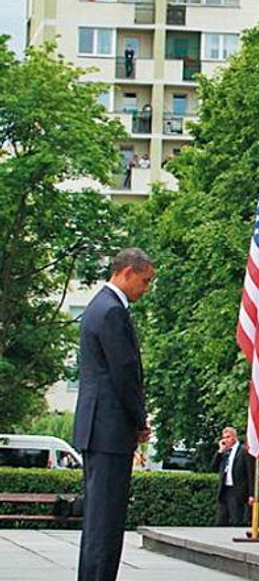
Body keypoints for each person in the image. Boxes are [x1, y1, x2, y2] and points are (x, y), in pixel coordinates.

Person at [73, 247, 154, 581]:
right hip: (109, 429)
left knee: (98, 521)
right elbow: (123, 372)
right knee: (106, 523)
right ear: (127, 272)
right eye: (145, 280)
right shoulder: (111, 312)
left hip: (98, 428)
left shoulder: (99, 306)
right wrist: (139, 420)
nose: (145, 288)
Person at [211, 426, 256, 526]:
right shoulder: (225, 452)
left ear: (235, 438)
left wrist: (251, 494)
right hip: (224, 489)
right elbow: (213, 467)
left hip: (237, 490)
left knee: (236, 519)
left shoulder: (244, 451)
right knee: (220, 520)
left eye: (228, 437)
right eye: (224, 437)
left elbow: (250, 473)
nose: (225, 440)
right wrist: (220, 451)